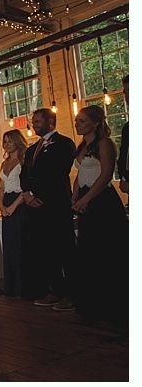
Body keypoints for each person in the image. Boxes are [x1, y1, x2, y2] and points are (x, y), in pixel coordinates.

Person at [71, 106, 127, 326]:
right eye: (76, 121)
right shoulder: (82, 146)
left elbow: (105, 175)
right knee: (89, 251)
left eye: (82, 121)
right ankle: (92, 306)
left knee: (107, 252)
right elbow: (80, 174)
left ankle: (112, 307)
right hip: (84, 197)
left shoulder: (105, 144)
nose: (77, 124)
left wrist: (86, 199)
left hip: (102, 200)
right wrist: (75, 196)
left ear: (95, 123)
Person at [19, 108, 76, 309]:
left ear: (51, 122)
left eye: (37, 121)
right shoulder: (31, 149)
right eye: (33, 122)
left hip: (55, 204)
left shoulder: (64, 143)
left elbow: (58, 171)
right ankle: (55, 290)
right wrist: (27, 194)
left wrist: (41, 196)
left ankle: (71, 294)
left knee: (64, 249)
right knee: (45, 250)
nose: (33, 125)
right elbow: (24, 175)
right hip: (34, 207)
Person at [0, 130, 27, 297]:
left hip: (20, 203)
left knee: (20, 243)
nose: (6, 144)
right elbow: (1, 187)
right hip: (6, 203)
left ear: (17, 141)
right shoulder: (4, 163)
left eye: (9, 141)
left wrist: (14, 206)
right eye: (4, 141)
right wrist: (1, 205)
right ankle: (12, 286)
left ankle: (23, 286)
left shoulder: (23, 160)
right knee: (9, 245)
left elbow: (26, 187)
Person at [117, 75, 128, 194]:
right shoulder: (127, 128)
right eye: (125, 92)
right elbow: (123, 156)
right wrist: (123, 178)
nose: (126, 96)